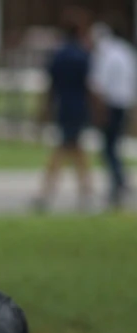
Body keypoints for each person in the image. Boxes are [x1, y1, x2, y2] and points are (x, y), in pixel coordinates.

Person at [34, 8, 94, 212]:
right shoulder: (83, 55)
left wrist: (44, 109)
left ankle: (50, 191)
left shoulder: (58, 55)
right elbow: (89, 85)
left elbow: (51, 86)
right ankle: (84, 191)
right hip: (79, 107)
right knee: (71, 148)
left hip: (63, 107)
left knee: (69, 148)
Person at [89, 20, 137, 209]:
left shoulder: (105, 53)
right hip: (124, 103)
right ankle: (120, 180)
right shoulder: (126, 51)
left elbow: (98, 83)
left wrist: (98, 110)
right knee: (114, 145)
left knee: (108, 148)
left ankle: (117, 182)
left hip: (109, 104)